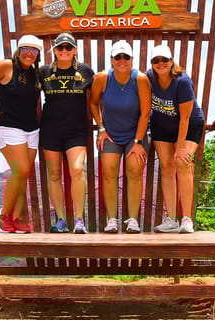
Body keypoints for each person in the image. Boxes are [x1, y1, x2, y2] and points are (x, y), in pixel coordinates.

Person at [0, 34, 43, 233]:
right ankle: (3, 215)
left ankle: (14, 220)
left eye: (33, 50)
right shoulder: (7, 66)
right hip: (8, 127)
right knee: (20, 170)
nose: (29, 53)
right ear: (18, 50)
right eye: (25, 49)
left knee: (24, 174)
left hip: (31, 129)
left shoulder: (35, 73)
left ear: (38, 54)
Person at [88, 40, 152, 233]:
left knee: (134, 172)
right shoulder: (102, 78)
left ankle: (132, 220)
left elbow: (145, 112)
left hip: (136, 135)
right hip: (111, 135)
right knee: (108, 173)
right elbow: (93, 103)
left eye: (125, 57)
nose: (122, 60)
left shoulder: (140, 79)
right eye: (118, 57)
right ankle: (112, 220)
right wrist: (101, 128)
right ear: (111, 60)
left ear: (132, 59)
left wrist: (139, 142)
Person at [39, 33, 95, 233]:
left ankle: (79, 219)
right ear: (54, 50)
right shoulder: (43, 71)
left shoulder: (85, 71)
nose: (64, 51)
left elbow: (97, 98)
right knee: (54, 174)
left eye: (68, 48)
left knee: (77, 170)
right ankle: (61, 220)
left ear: (75, 50)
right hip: (50, 130)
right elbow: (26, 92)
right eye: (60, 48)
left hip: (76, 131)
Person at [147, 45, 204, 233]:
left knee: (182, 163)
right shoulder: (149, 78)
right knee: (167, 167)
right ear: (152, 64)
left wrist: (180, 147)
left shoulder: (182, 81)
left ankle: (186, 219)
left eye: (164, 60)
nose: (160, 63)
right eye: (156, 61)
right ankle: (171, 219)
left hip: (188, 125)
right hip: (162, 125)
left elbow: (185, 117)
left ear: (172, 61)